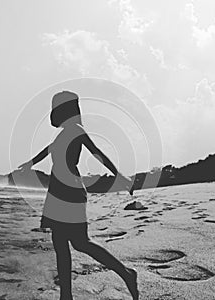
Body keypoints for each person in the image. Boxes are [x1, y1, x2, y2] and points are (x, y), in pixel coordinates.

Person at [18, 91, 139, 300]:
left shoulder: (76, 129)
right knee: (60, 244)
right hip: (57, 190)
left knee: (80, 243)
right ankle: (66, 296)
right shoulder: (64, 133)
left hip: (70, 190)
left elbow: (97, 152)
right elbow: (48, 150)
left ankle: (126, 274)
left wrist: (120, 176)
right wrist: (30, 163)